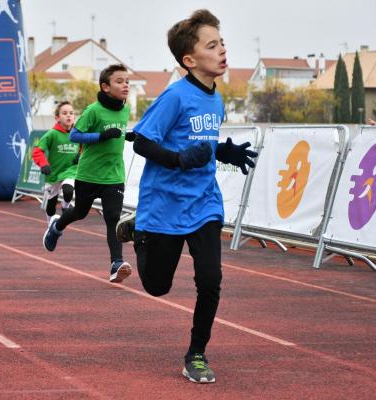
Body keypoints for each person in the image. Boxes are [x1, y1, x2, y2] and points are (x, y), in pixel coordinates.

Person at [115, 10, 258, 383]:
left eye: (222, 43)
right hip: (164, 204)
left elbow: (203, 142)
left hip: (204, 203)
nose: (223, 51)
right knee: (157, 286)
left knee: (210, 280)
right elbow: (142, 141)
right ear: (189, 60)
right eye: (213, 46)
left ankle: (196, 354)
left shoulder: (216, 98)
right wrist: (177, 160)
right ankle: (138, 230)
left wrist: (223, 151)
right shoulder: (174, 97)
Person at [42, 64, 135, 283]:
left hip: (114, 175)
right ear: (105, 87)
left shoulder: (125, 109)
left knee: (113, 218)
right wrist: (101, 136)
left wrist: (127, 135)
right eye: (119, 81)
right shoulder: (93, 110)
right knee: (80, 212)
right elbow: (75, 136)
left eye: (127, 81)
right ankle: (56, 226)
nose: (125, 85)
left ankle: (116, 264)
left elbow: (117, 132)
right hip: (89, 175)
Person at [32, 101, 79, 222]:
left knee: (69, 190)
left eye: (71, 113)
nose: (68, 115)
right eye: (64, 113)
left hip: (71, 170)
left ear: (74, 117)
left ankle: (65, 205)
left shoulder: (78, 134)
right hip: (53, 173)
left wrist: (80, 155)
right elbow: (37, 150)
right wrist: (44, 164)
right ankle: (50, 224)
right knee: (51, 203)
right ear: (57, 118)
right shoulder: (52, 134)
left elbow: (86, 149)